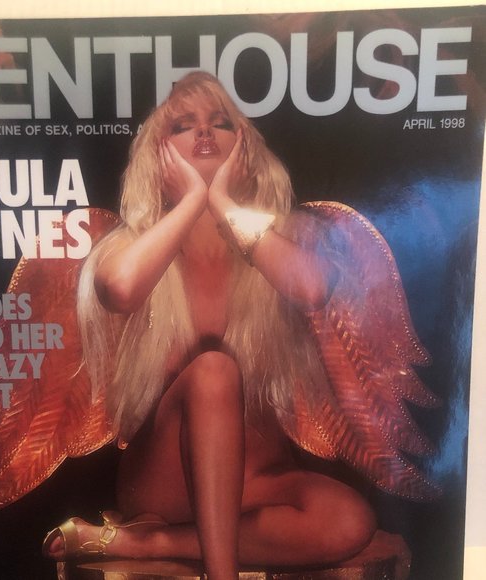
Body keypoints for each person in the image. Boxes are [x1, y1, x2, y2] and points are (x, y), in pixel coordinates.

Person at [42, 71, 380, 580]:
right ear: (158, 152)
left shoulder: (276, 239)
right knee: (214, 372)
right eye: (183, 125)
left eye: (219, 122)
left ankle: (145, 544)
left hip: (257, 479)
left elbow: (313, 289)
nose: (204, 132)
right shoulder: (132, 243)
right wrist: (191, 202)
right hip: (167, 480)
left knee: (350, 520)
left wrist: (222, 205)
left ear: (244, 146)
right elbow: (120, 289)